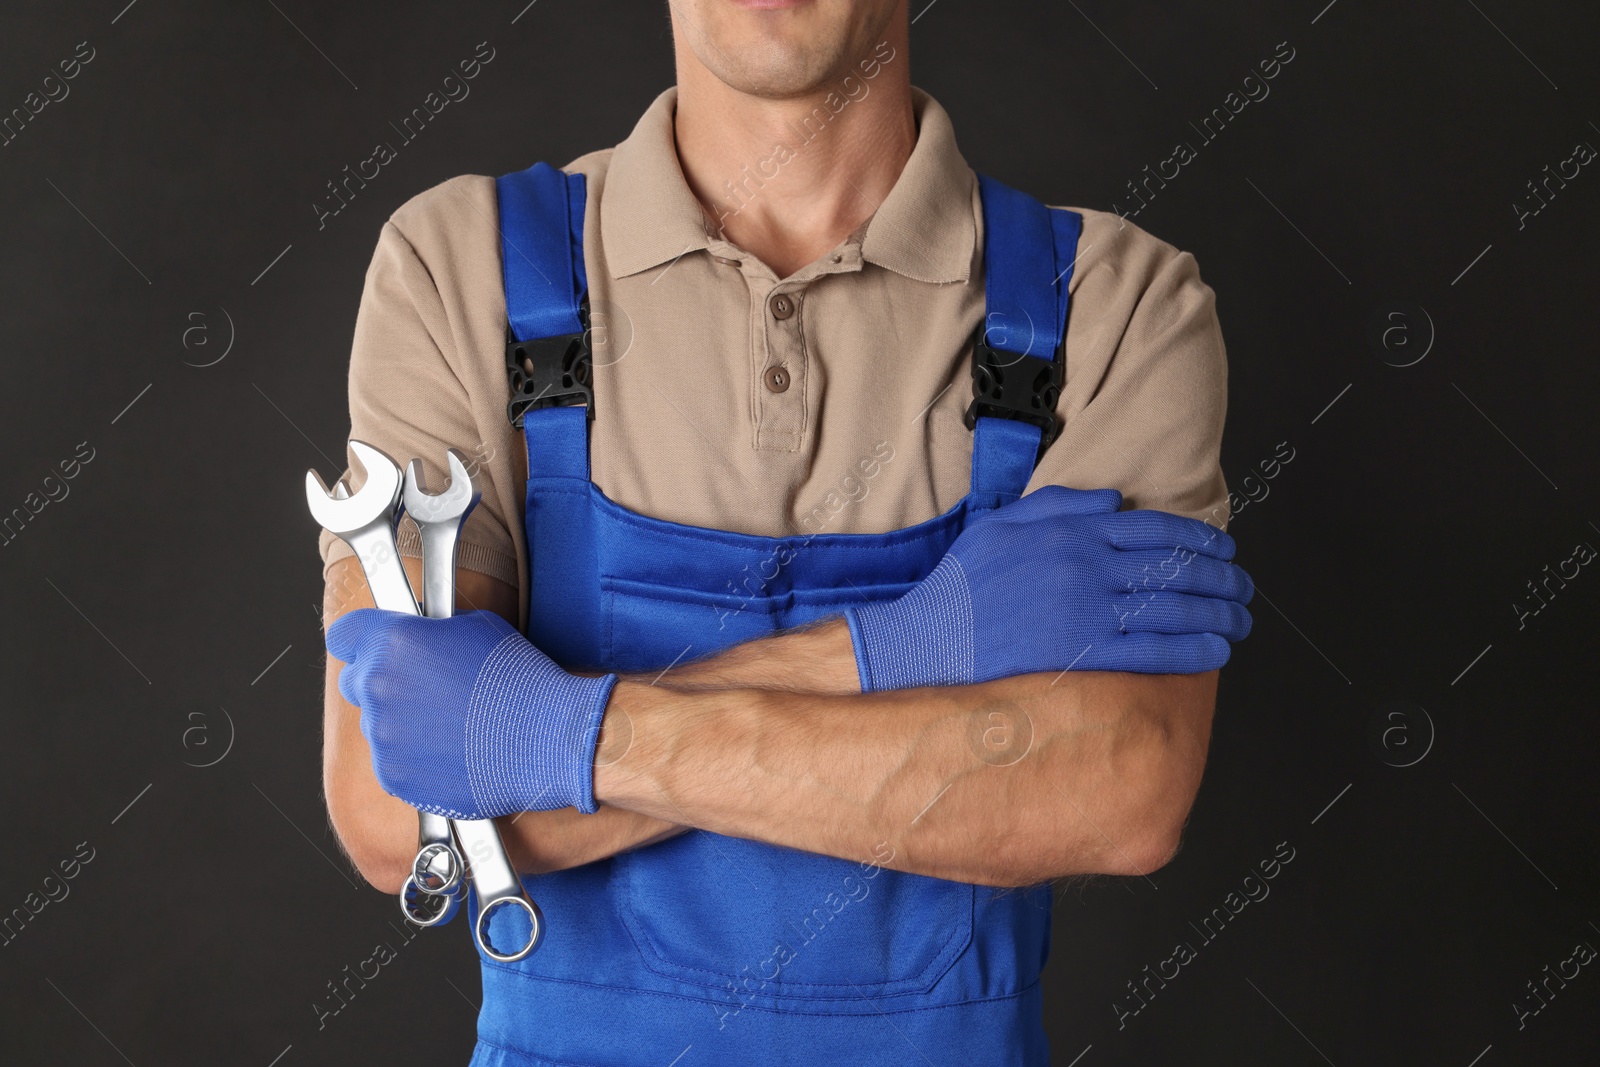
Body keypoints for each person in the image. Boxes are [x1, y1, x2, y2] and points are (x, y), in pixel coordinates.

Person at [318, 1, 1254, 1063]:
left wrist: (545, 734)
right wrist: (901, 650)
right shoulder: (460, 270)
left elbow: (1115, 795)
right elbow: (403, 818)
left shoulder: (1116, 305)